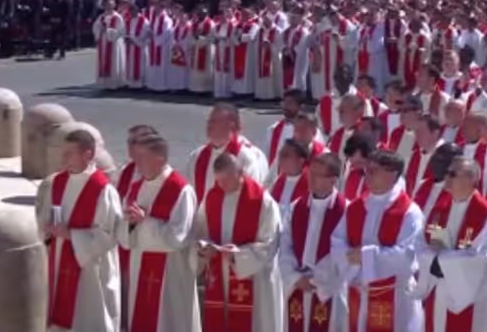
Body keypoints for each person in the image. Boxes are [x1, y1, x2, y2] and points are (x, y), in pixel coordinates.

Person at [36, 128, 123, 332]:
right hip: (57, 261)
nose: (63, 157)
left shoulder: (103, 190)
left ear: (88, 155)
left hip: (90, 272)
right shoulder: (56, 182)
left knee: (87, 319)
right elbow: (43, 218)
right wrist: (47, 231)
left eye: (69, 153)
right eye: (63, 152)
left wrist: (71, 235)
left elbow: (109, 236)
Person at [331, 149, 423, 332]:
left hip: (395, 296)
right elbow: (337, 241)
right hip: (358, 293)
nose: (368, 175)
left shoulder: (409, 212)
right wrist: (349, 257)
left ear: (392, 174)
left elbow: (409, 255)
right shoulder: (356, 206)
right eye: (368, 170)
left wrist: (364, 256)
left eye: (375, 170)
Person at [118, 133, 201, 332]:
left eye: (142, 158)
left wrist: (144, 223)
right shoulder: (136, 187)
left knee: (169, 321)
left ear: (160, 159)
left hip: (171, 274)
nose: (136, 163)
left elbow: (177, 238)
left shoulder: (180, 190)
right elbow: (123, 236)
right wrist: (128, 224)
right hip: (140, 268)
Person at [414, 156, 487, 332]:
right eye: (446, 173)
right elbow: (421, 244)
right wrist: (432, 259)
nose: (446, 178)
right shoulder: (440, 209)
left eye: (452, 174)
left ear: (472, 179)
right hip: (439, 293)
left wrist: (441, 261)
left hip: (471, 299)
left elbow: (485, 260)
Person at [194, 152, 284, 332]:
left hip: (254, 279)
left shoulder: (263, 202)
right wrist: (205, 249)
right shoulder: (212, 197)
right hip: (220, 277)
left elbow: (269, 244)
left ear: (240, 173)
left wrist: (237, 255)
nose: (221, 186)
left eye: (226, 180)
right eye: (218, 180)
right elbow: (199, 232)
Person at [280, 153, 349, 332]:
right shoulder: (297, 207)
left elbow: (342, 252)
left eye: (317, 175)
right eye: (310, 173)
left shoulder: (347, 210)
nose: (310, 178)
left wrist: (317, 278)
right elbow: (284, 245)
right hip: (297, 288)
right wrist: (296, 277)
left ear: (333, 179)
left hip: (329, 290)